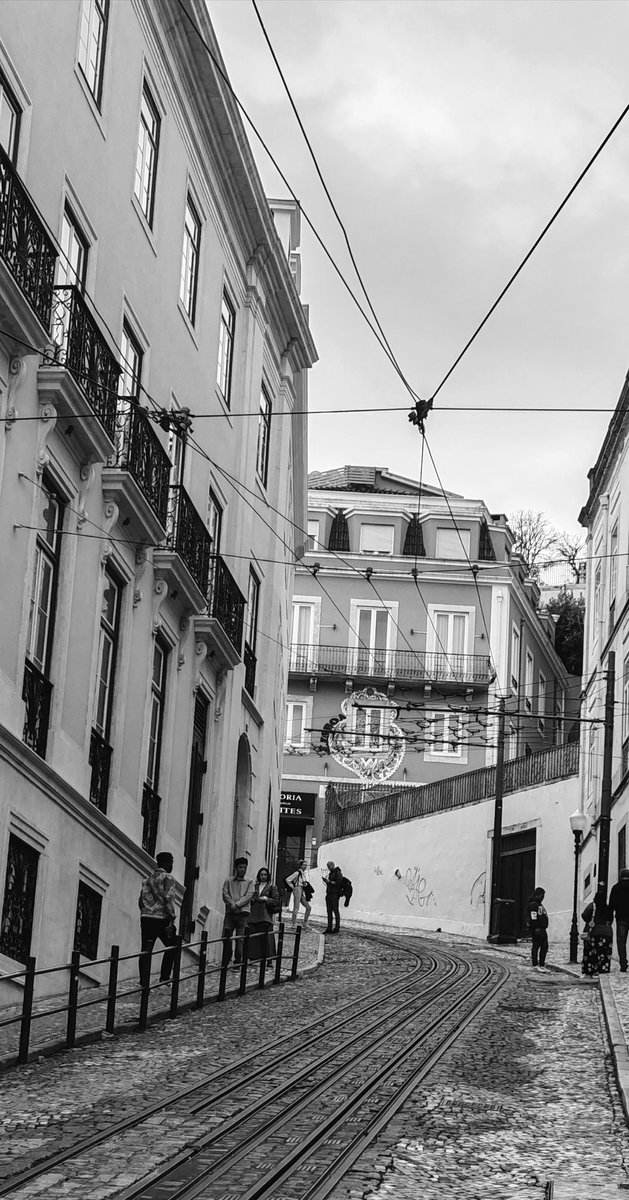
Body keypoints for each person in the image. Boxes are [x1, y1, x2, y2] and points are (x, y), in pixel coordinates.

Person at [139, 852, 177, 986]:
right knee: (173, 945)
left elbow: (140, 900)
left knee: (146, 950)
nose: (172, 865)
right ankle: (165, 977)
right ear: (167, 863)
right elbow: (168, 898)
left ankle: (143, 981)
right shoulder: (168, 878)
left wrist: (145, 910)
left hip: (146, 917)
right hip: (161, 918)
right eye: (171, 862)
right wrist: (172, 916)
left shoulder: (147, 879)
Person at [222, 857, 254, 969]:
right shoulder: (228, 881)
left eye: (244, 867)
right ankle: (226, 959)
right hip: (230, 913)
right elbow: (225, 894)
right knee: (226, 936)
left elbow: (249, 896)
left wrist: (237, 904)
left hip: (242, 913)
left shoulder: (249, 882)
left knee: (240, 939)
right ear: (236, 868)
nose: (243, 870)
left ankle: (238, 961)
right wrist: (232, 904)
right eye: (240, 867)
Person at [248, 867, 280, 965]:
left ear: (268, 876)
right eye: (261, 874)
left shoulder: (272, 887)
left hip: (265, 915)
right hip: (254, 914)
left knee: (267, 938)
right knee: (254, 937)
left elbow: (276, 901)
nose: (263, 876)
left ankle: (269, 959)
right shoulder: (255, 886)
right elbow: (250, 897)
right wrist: (253, 899)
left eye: (265, 875)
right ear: (259, 876)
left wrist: (266, 899)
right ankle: (253, 957)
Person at [581, 885, 613, 977]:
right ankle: (602, 969)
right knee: (604, 953)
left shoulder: (592, 906)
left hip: (594, 932)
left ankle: (590, 969)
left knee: (591, 952)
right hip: (607, 933)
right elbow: (611, 919)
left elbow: (584, 915)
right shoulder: (607, 908)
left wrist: (590, 921)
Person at [608, 868, 629, 972]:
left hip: (621, 918)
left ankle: (623, 964)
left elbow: (611, 905)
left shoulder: (616, 888)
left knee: (621, 942)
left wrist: (609, 919)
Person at [526, 886, 549, 968]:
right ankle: (535, 963)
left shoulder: (539, 904)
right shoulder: (533, 904)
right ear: (537, 895)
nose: (542, 898)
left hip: (542, 928)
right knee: (536, 946)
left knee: (544, 946)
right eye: (541, 896)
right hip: (538, 929)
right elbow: (533, 917)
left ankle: (541, 963)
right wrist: (535, 927)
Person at [285, 859, 312, 928]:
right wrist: (293, 887)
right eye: (304, 865)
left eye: (306, 865)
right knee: (296, 907)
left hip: (302, 889)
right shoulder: (297, 873)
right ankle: (293, 922)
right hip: (297, 888)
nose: (305, 866)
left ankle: (305, 922)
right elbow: (288, 879)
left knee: (308, 907)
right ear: (300, 865)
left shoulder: (303, 874)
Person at [324, 860, 344, 934]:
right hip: (329, 893)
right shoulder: (331, 873)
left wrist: (330, 882)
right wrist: (327, 882)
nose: (328, 868)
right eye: (328, 866)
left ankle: (337, 928)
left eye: (329, 866)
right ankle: (329, 928)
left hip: (335, 894)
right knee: (329, 911)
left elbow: (339, 883)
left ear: (333, 865)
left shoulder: (338, 872)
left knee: (335, 911)